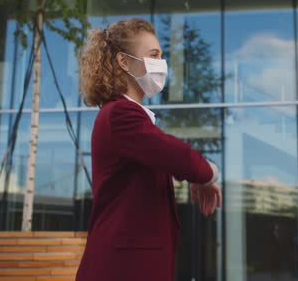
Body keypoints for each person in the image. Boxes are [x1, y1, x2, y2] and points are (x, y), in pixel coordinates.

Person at [75, 18, 222, 281]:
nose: (161, 64)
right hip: (121, 268)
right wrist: (208, 172)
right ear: (124, 62)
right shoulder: (121, 113)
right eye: (153, 55)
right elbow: (173, 154)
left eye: (162, 56)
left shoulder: (129, 115)